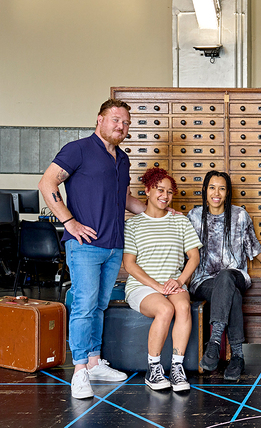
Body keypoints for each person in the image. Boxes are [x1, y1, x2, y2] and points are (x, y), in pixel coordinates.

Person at [38, 99, 146, 399]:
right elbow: (47, 183)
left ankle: (96, 362)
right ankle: (80, 371)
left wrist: (158, 211)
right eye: (115, 120)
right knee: (84, 306)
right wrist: (69, 221)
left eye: (125, 122)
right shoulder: (78, 149)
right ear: (99, 119)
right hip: (84, 245)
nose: (121, 126)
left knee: (99, 305)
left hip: (113, 245)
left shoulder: (122, 160)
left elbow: (126, 201)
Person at [188, 171, 261, 381]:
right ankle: (238, 356)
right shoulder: (194, 217)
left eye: (222, 188)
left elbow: (254, 249)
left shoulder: (239, 215)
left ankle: (214, 342)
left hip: (236, 275)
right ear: (204, 190)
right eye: (212, 187)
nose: (216, 193)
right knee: (232, 294)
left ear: (228, 192)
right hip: (203, 281)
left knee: (226, 277)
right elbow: (183, 252)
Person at [122, 168, 202, 392]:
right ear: (147, 191)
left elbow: (194, 257)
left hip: (174, 283)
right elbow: (129, 265)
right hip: (142, 287)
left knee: (183, 306)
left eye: (169, 192)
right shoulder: (133, 225)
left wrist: (179, 281)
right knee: (165, 309)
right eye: (160, 190)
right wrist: (157, 286)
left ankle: (177, 368)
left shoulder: (180, 221)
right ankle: (154, 369)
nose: (165, 196)